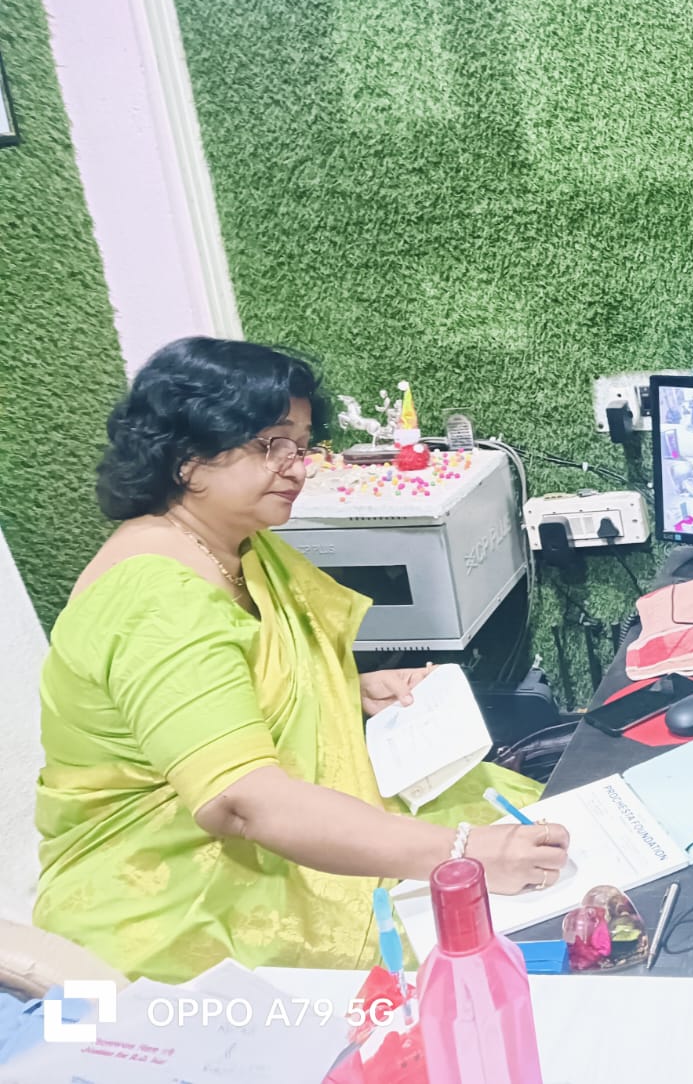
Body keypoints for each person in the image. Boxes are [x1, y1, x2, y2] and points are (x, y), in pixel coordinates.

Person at [34, 337, 570, 983]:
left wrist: (347, 689)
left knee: (546, 831)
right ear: (185, 457)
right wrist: (464, 855)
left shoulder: (237, 547)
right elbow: (244, 803)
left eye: (301, 446)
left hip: (269, 826)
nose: (297, 468)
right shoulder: (155, 597)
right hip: (176, 890)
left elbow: (242, 684)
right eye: (271, 445)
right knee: (484, 929)